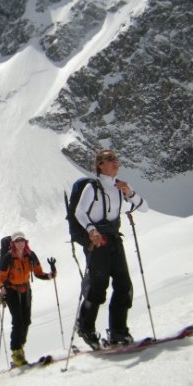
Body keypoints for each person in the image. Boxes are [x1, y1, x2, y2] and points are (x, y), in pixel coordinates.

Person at [74, 149, 149, 348]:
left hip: (115, 239)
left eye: (115, 158)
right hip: (97, 242)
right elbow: (79, 212)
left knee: (124, 284)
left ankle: (118, 330)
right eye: (110, 159)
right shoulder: (93, 187)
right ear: (100, 165)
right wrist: (91, 230)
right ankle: (85, 327)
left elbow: (144, 207)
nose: (116, 162)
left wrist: (129, 192)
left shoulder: (120, 186)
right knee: (98, 287)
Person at [0, 232, 56, 367]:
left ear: (25, 242)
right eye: (17, 241)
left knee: (27, 321)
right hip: (12, 291)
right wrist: (3, 288)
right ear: (13, 243)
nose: (20, 243)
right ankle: (16, 352)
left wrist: (51, 274)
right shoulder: (8, 258)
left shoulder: (30, 255)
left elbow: (38, 273)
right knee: (18, 321)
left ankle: (20, 348)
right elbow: (1, 277)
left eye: (22, 240)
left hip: (26, 290)